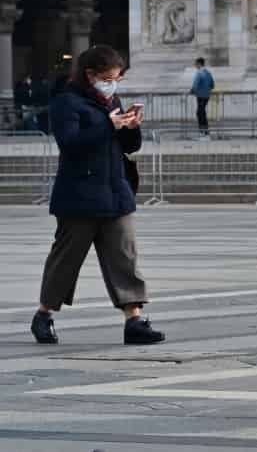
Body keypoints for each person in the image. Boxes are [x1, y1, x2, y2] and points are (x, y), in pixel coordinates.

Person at [30, 45, 165, 345]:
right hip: (79, 195)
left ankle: (134, 319)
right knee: (66, 259)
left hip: (116, 191)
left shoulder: (111, 100)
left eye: (117, 78)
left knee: (124, 256)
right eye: (107, 78)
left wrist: (131, 126)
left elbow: (128, 146)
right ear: (90, 75)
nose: (112, 84)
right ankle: (44, 314)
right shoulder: (67, 102)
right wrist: (108, 124)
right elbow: (70, 143)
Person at [190, 57, 214, 139]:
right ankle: (206, 131)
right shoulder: (208, 73)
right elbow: (212, 84)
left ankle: (202, 132)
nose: (195, 65)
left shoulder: (199, 73)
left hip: (200, 96)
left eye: (196, 64)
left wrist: (192, 91)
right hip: (207, 96)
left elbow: (195, 84)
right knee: (202, 112)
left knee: (200, 113)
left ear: (199, 64)